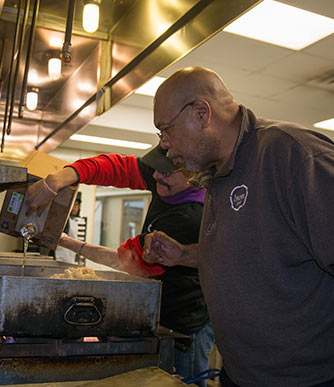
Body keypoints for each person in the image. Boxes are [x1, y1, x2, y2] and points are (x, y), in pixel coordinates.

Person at [142, 66, 334, 387]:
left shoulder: (291, 153)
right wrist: (185, 254)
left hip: (319, 379)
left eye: (165, 130)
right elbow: (259, 253)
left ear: (202, 112)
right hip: (247, 376)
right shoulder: (216, 174)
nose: (165, 145)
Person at [26, 146, 214, 386]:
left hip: (184, 325)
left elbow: (125, 261)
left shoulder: (189, 217)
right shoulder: (167, 175)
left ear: (195, 175)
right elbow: (115, 167)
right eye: (157, 169)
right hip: (158, 314)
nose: (155, 176)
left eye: (165, 172)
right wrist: (60, 178)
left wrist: (67, 242)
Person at [54, 193, 82, 264]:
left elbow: (76, 239)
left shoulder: (74, 220)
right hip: (60, 256)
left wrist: (78, 257)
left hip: (70, 257)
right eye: (74, 204)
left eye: (77, 205)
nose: (75, 207)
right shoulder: (63, 219)